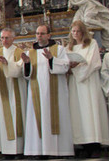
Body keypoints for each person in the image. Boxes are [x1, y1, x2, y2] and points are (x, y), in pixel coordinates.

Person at [21, 25, 74, 157]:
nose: (39, 36)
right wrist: (27, 64)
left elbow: (65, 66)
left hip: (55, 92)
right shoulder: (30, 52)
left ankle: (57, 151)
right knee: (37, 119)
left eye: (42, 33)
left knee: (55, 117)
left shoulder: (59, 49)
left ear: (49, 35)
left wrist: (52, 59)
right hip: (36, 91)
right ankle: (37, 151)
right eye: (38, 33)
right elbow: (27, 75)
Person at [66, 20, 109, 157]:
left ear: (83, 32)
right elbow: (65, 63)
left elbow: (93, 62)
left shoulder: (92, 44)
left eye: (78, 31)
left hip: (89, 81)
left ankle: (95, 144)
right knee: (78, 112)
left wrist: (78, 68)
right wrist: (70, 66)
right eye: (73, 31)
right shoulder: (69, 47)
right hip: (75, 83)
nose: (75, 34)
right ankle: (83, 144)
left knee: (91, 111)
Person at [0, 28, 26, 157]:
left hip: (16, 90)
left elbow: (20, 70)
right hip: (2, 91)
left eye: (7, 37)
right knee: (3, 119)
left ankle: (19, 149)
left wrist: (7, 64)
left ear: (13, 38)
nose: (4, 40)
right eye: (2, 38)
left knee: (17, 117)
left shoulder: (19, 52)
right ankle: (6, 151)